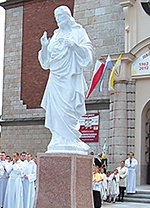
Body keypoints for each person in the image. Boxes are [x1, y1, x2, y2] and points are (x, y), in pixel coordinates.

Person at [38, 5, 93, 154]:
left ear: (68, 17)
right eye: (57, 18)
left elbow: (88, 54)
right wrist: (44, 47)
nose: (59, 21)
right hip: (55, 78)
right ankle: (58, 138)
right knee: (55, 110)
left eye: (61, 17)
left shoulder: (79, 32)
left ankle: (71, 139)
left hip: (70, 77)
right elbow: (46, 63)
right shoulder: (55, 36)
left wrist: (74, 46)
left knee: (68, 107)